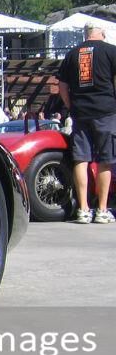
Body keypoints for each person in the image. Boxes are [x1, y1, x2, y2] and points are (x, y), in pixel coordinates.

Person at [57, 23, 116, 223]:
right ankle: (101, 210)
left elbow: (62, 86)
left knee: (81, 159)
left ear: (85, 34)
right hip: (106, 111)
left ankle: (83, 209)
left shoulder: (72, 54)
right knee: (105, 160)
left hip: (80, 112)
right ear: (102, 32)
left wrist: (71, 106)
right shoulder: (111, 51)